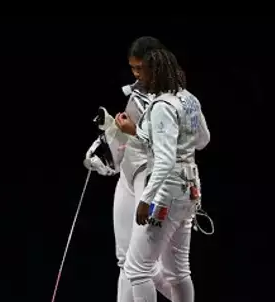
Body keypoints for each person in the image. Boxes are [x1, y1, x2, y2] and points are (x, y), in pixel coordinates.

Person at [116, 48, 210, 302]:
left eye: (143, 71)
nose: (139, 77)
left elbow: (165, 160)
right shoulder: (189, 99)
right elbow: (203, 140)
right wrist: (136, 131)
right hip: (190, 188)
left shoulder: (161, 105)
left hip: (166, 191)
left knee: (137, 269)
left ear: (155, 72)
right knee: (178, 271)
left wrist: (146, 200)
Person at [84, 36, 174, 302]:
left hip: (150, 176)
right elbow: (126, 141)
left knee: (142, 265)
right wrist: (108, 134)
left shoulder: (172, 98)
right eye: (132, 68)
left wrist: (133, 130)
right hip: (128, 174)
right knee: (124, 260)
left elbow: (168, 148)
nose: (136, 73)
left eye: (140, 68)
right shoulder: (137, 92)